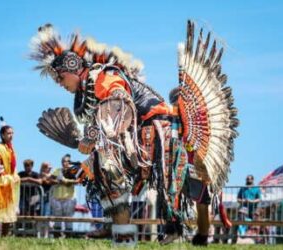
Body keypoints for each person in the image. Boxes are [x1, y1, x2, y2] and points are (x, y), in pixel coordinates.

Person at [30, 20, 239, 246]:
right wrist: (84, 148)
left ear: (72, 70)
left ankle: (180, 228)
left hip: (158, 130)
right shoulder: (91, 85)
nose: (60, 84)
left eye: (60, 78)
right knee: (106, 171)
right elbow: (108, 123)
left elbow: (119, 104)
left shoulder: (104, 78)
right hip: (142, 133)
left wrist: (90, 139)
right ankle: (121, 233)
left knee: (118, 170)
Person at [0, 125, 20, 236]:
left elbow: (13, 166)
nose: (11, 135)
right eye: (8, 133)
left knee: (8, 212)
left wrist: (15, 176)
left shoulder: (11, 148)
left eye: (12, 133)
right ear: (2, 135)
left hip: (10, 183)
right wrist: (5, 177)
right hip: (2, 183)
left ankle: (4, 236)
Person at [50, 154, 78, 237]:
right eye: (63, 161)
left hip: (69, 198)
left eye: (66, 161)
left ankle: (69, 236)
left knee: (69, 218)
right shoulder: (57, 170)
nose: (64, 163)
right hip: (57, 197)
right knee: (57, 218)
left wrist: (64, 181)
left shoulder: (73, 171)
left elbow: (77, 181)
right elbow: (51, 179)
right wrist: (59, 181)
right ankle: (57, 235)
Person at [38, 161, 56, 238]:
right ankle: (39, 234)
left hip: (48, 199)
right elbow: (43, 180)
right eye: (47, 167)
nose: (49, 169)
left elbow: (54, 180)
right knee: (40, 217)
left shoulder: (51, 175)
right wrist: (47, 177)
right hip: (40, 199)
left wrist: (48, 177)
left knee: (46, 217)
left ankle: (46, 235)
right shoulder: (39, 175)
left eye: (49, 167)